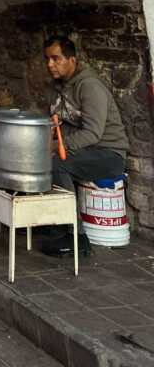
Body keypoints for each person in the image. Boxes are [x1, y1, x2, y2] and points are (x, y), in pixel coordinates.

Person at [41, 35, 128, 259]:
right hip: (80, 150)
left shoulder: (89, 86)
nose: (50, 64)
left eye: (56, 58)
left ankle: (77, 237)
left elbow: (92, 133)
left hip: (107, 153)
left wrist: (54, 147)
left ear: (72, 60)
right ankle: (42, 220)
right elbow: (56, 124)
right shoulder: (53, 88)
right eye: (47, 59)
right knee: (36, 159)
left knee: (57, 165)